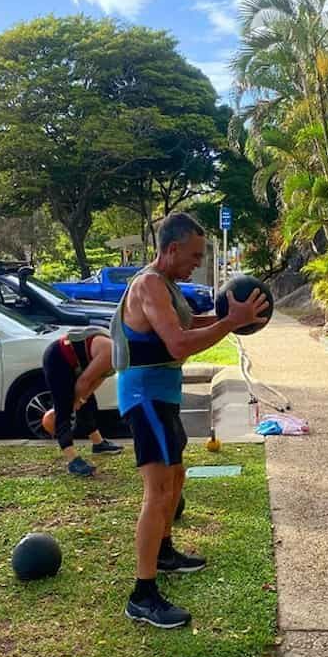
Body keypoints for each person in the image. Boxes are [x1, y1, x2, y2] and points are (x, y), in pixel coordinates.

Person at [111, 212, 269, 629]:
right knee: (158, 491)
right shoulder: (147, 285)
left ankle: (163, 553)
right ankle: (142, 596)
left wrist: (233, 318)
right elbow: (179, 341)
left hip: (162, 394)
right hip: (144, 397)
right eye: (194, 255)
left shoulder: (166, 288)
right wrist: (231, 322)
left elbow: (189, 323)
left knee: (177, 478)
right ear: (173, 248)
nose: (197, 264)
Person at [42, 327, 122, 476]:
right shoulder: (111, 352)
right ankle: (72, 460)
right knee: (63, 409)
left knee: (89, 403)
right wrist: (76, 401)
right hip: (57, 359)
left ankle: (98, 444)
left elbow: (99, 377)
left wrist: (84, 397)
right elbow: (85, 381)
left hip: (76, 364)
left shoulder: (119, 357)